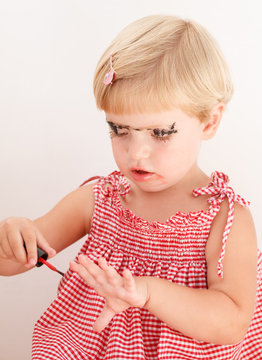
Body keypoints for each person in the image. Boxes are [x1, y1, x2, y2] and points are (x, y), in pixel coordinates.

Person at [0, 14, 261, 360]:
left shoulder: (224, 219)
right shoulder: (100, 199)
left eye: (160, 132)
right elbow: (14, 261)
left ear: (209, 121)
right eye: (120, 130)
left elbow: (231, 322)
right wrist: (13, 239)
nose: (136, 152)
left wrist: (149, 292)